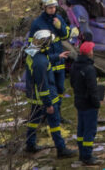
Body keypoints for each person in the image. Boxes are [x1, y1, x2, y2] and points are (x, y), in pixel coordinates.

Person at [24, 30, 76, 158]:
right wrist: (48, 104)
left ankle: (30, 144)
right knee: (54, 122)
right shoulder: (40, 63)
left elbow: (45, 59)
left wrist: (57, 56)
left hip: (35, 96)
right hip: (45, 97)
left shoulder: (34, 54)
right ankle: (61, 149)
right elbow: (43, 85)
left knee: (34, 120)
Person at [29, 0, 76, 121]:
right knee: (48, 90)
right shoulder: (37, 24)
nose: (52, 10)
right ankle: (46, 115)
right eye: (50, 7)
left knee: (60, 89)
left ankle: (58, 114)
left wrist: (60, 27)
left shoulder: (59, 19)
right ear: (44, 7)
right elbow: (32, 46)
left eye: (54, 7)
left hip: (59, 61)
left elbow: (66, 36)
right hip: (47, 61)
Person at [69, 41, 104, 166]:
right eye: (92, 50)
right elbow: (92, 89)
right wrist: (96, 104)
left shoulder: (75, 65)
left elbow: (72, 83)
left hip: (79, 102)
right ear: (89, 52)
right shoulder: (89, 69)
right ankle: (87, 156)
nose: (93, 52)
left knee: (81, 129)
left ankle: (82, 154)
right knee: (90, 130)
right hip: (89, 104)